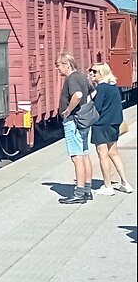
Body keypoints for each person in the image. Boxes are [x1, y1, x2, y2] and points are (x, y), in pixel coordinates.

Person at [56, 53, 95, 204]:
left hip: (73, 121)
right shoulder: (82, 77)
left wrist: (68, 110)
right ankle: (87, 189)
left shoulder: (71, 78)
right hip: (83, 120)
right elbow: (93, 92)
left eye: (58, 65)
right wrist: (86, 108)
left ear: (67, 64)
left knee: (76, 156)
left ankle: (79, 193)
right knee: (85, 154)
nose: (57, 69)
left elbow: (77, 95)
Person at [87, 63, 132, 195]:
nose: (91, 74)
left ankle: (108, 186)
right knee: (114, 153)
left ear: (102, 73)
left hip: (101, 125)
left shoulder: (101, 88)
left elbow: (97, 108)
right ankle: (125, 183)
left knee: (103, 155)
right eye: (90, 71)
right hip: (113, 124)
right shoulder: (113, 87)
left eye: (94, 72)